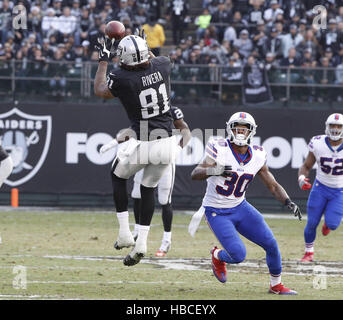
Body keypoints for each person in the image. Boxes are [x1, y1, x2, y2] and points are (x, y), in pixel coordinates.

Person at [94, 32, 182, 266]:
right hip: (168, 143)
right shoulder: (163, 65)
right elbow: (150, 61)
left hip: (146, 141)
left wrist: (103, 59)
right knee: (148, 189)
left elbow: (101, 90)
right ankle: (141, 243)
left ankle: (124, 233)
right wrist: (143, 46)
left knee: (116, 174)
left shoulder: (121, 77)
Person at [190, 111, 301, 295]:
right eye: (237, 128)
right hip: (217, 211)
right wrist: (215, 170)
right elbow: (195, 174)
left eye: (245, 129)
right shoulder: (219, 148)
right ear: (230, 129)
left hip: (241, 207)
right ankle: (217, 255)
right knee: (238, 255)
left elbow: (272, 185)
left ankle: (276, 285)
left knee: (271, 244)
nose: (240, 132)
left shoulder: (258, 154)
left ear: (251, 132)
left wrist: (288, 201)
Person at [100, 106, 191, 258]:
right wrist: (114, 142)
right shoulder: (144, 108)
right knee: (137, 194)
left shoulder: (171, 110)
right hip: (144, 151)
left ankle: (166, 239)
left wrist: (178, 149)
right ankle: (136, 232)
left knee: (164, 199)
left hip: (165, 157)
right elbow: (133, 129)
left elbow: (186, 131)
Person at [298, 113, 343, 263]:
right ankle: (308, 253)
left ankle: (328, 223)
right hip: (320, 187)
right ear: (327, 127)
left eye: (339, 126)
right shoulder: (318, 143)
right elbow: (306, 166)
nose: (335, 129)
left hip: (339, 191)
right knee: (311, 223)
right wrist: (302, 178)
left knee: (333, 224)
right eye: (332, 126)